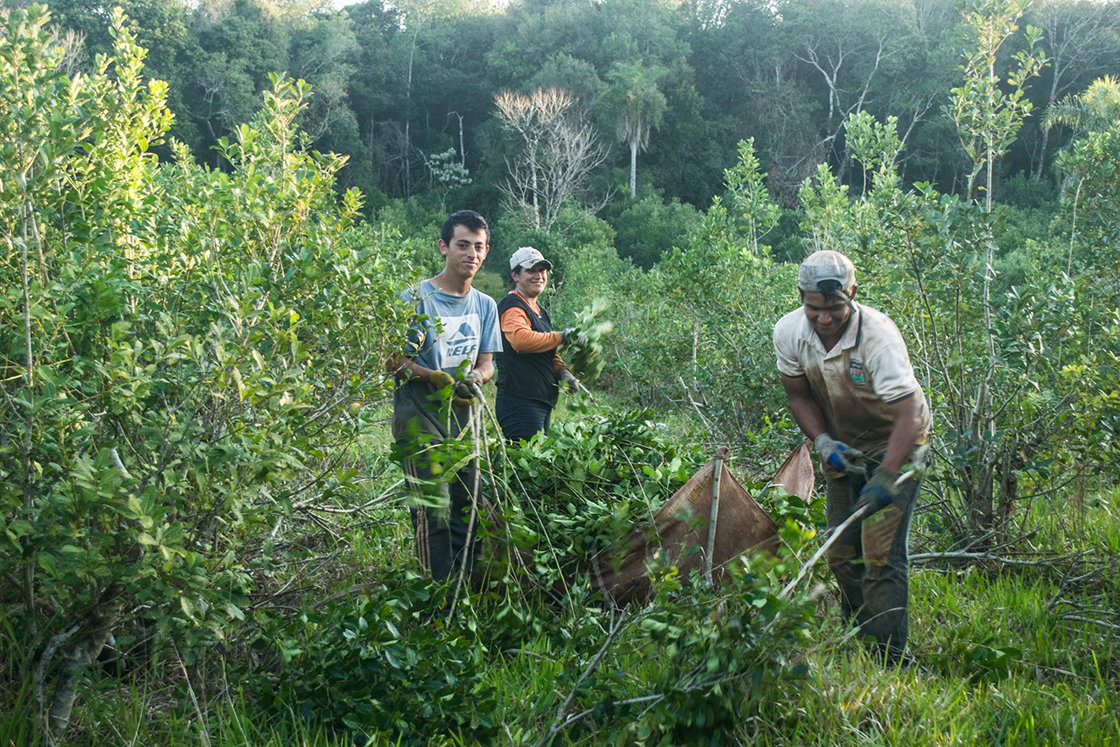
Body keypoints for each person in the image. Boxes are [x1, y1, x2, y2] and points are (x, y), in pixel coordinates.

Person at [773, 250, 931, 665]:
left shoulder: (878, 335)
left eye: (835, 308)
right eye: (814, 309)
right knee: (842, 552)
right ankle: (860, 637)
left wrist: (886, 478)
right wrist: (823, 442)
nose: (824, 318)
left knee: (880, 552)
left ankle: (890, 658)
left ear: (853, 293)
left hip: (898, 442)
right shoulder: (789, 332)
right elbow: (798, 394)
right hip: (843, 447)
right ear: (801, 297)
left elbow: (909, 415)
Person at [391, 210, 502, 584]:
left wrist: (476, 377)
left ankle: (464, 591)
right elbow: (393, 361)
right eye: (463, 245)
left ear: (486, 252)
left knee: (468, 506)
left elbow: (488, 364)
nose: (471, 253)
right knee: (432, 509)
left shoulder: (486, 305)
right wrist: (430, 375)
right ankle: (434, 596)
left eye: (479, 247)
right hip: (419, 416)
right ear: (444, 247)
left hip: (463, 419)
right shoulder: (416, 297)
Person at [494, 246, 584, 442]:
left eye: (542, 270)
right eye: (531, 270)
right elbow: (521, 341)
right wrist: (562, 336)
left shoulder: (540, 311)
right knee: (526, 464)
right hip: (520, 401)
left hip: (540, 401)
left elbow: (548, 352)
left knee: (537, 462)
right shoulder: (512, 306)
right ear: (515, 275)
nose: (538, 276)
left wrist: (564, 373)